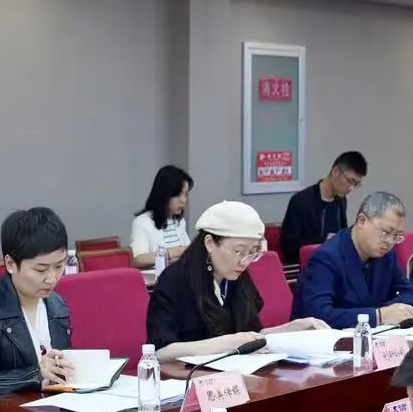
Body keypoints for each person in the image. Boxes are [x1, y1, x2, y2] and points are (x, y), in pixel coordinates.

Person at [146, 200, 327, 360]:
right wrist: (226, 343)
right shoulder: (174, 280)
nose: (245, 261)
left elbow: (251, 335)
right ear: (210, 243)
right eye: (239, 251)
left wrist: (293, 328)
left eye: (252, 253)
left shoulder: (237, 276)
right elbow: (160, 352)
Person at [0, 207, 77, 400]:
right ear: (10, 264)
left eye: (59, 266)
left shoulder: (57, 305)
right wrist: (33, 375)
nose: (52, 278)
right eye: (41, 270)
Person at [294, 191, 413, 329]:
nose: (390, 241)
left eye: (396, 236)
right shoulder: (327, 257)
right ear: (362, 221)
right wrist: (378, 315)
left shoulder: (387, 254)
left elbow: (410, 293)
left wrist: (394, 310)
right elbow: (318, 315)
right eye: (385, 232)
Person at [277, 150, 366, 265]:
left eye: (356, 184)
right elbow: (289, 248)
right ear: (336, 172)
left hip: (335, 265)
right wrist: (323, 242)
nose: (351, 188)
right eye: (350, 181)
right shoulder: (301, 201)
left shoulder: (341, 201)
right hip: (308, 267)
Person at [130, 165, 194, 269]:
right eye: (178, 194)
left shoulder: (180, 222)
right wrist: (173, 252)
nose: (184, 200)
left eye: (186, 194)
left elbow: (189, 253)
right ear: (164, 194)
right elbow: (137, 259)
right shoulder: (142, 222)